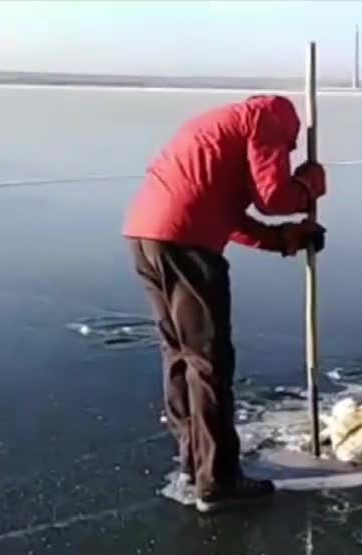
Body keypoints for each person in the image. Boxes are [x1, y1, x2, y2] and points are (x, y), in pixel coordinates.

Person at [122, 95, 327, 514]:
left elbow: (228, 216)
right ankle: (218, 480)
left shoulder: (220, 128)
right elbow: (274, 196)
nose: (286, 155)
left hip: (146, 236)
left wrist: (284, 239)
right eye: (288, 150)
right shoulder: (271, 117)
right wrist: (308, 185)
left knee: (179, 355)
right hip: (186, 244)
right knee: (208, 361)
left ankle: (193, 465)